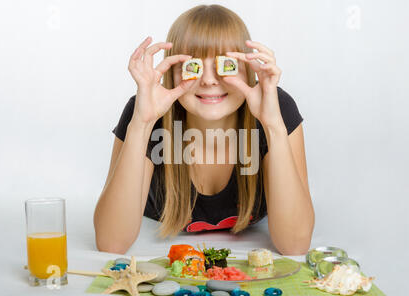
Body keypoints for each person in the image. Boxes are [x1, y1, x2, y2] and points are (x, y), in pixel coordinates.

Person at [94, 4, 315, 255]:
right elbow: (111, 244)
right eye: (194, 66)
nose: (209, 80)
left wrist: (273, 126)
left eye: (226, 65)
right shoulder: (145, 110)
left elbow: (295, 245)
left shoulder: (276, 107)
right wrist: (142, 124)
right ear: (172, 73)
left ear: (249, 70)